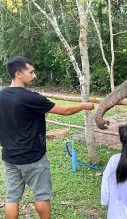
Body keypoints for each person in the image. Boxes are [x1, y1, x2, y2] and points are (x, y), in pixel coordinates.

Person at [0, 56, 94, 219]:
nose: (34, 75)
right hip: (33, 157)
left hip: (10, 156)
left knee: (12, 198)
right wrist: (84, 105)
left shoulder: (2, 95)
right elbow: (65, 111)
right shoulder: (30, 98)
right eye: (31, 72)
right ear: (18, 74)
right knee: (42, 195)